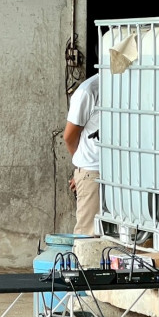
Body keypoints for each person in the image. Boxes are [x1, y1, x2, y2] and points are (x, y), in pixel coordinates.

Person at [64, 73, 100, 236]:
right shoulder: (89, 90)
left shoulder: (134, 84)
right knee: (88, 236)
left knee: (126, 237)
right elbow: (69, 136)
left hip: (124, 174)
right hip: (93, 171)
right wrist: (82, 171)